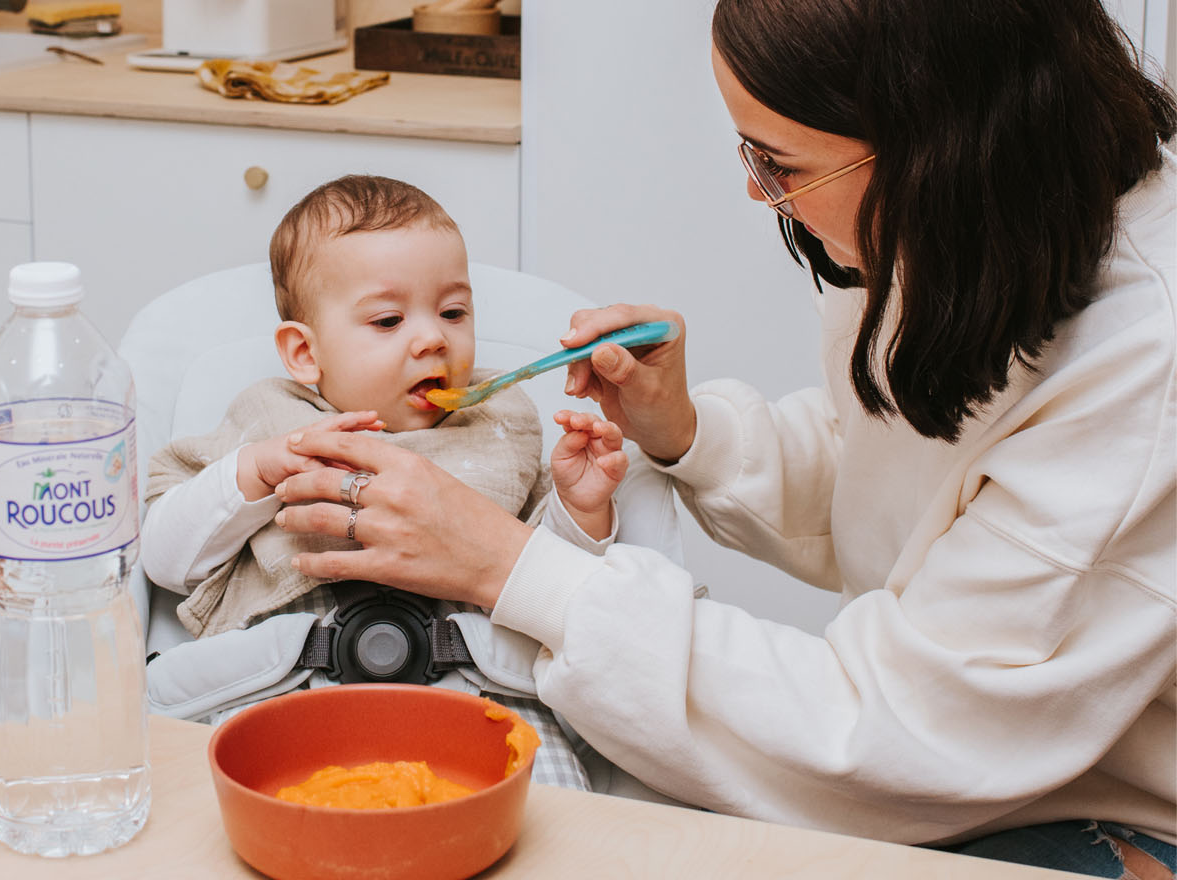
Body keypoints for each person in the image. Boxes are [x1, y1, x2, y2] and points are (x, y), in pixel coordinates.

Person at [262, 2, 1177, 874]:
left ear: (939, 152)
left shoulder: (1142, 367)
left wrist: (510, 567)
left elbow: (904, 733)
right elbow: (922, 467)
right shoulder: (979, 219)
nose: (755, 189)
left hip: (1099, 806)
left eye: (779, 163)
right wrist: (685, 432)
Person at [139, 174, 630, 790]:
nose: (433, 337)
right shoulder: (269, 426)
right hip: (286, 685)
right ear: (303, 354)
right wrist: (253, 476)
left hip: (480, 692)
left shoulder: (500, 426)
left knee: (556, 821)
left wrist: (579, 510)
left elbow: (552, 586)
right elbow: (164, 563)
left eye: (454, 311)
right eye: (389, 319)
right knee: (240, 809)